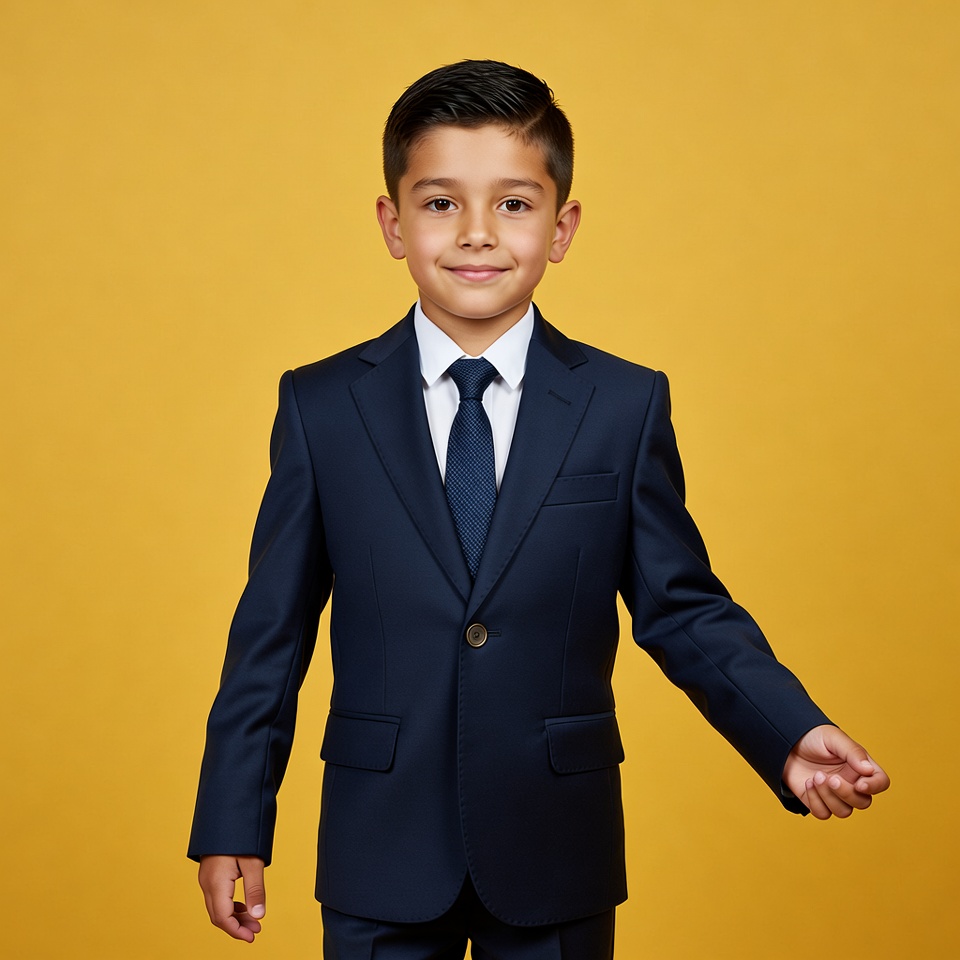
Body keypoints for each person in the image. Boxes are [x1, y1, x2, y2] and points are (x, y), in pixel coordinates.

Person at [189, 59, 889, 958]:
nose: (477, 234)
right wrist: (232, 818)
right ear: (390, 223)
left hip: (557, 843)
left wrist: (787, 732)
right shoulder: (323, 406)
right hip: (380, 842)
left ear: (562, 228)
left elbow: (682, 607)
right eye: (440, 203)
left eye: (513, 205)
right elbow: (271, 634)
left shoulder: (622, 405)